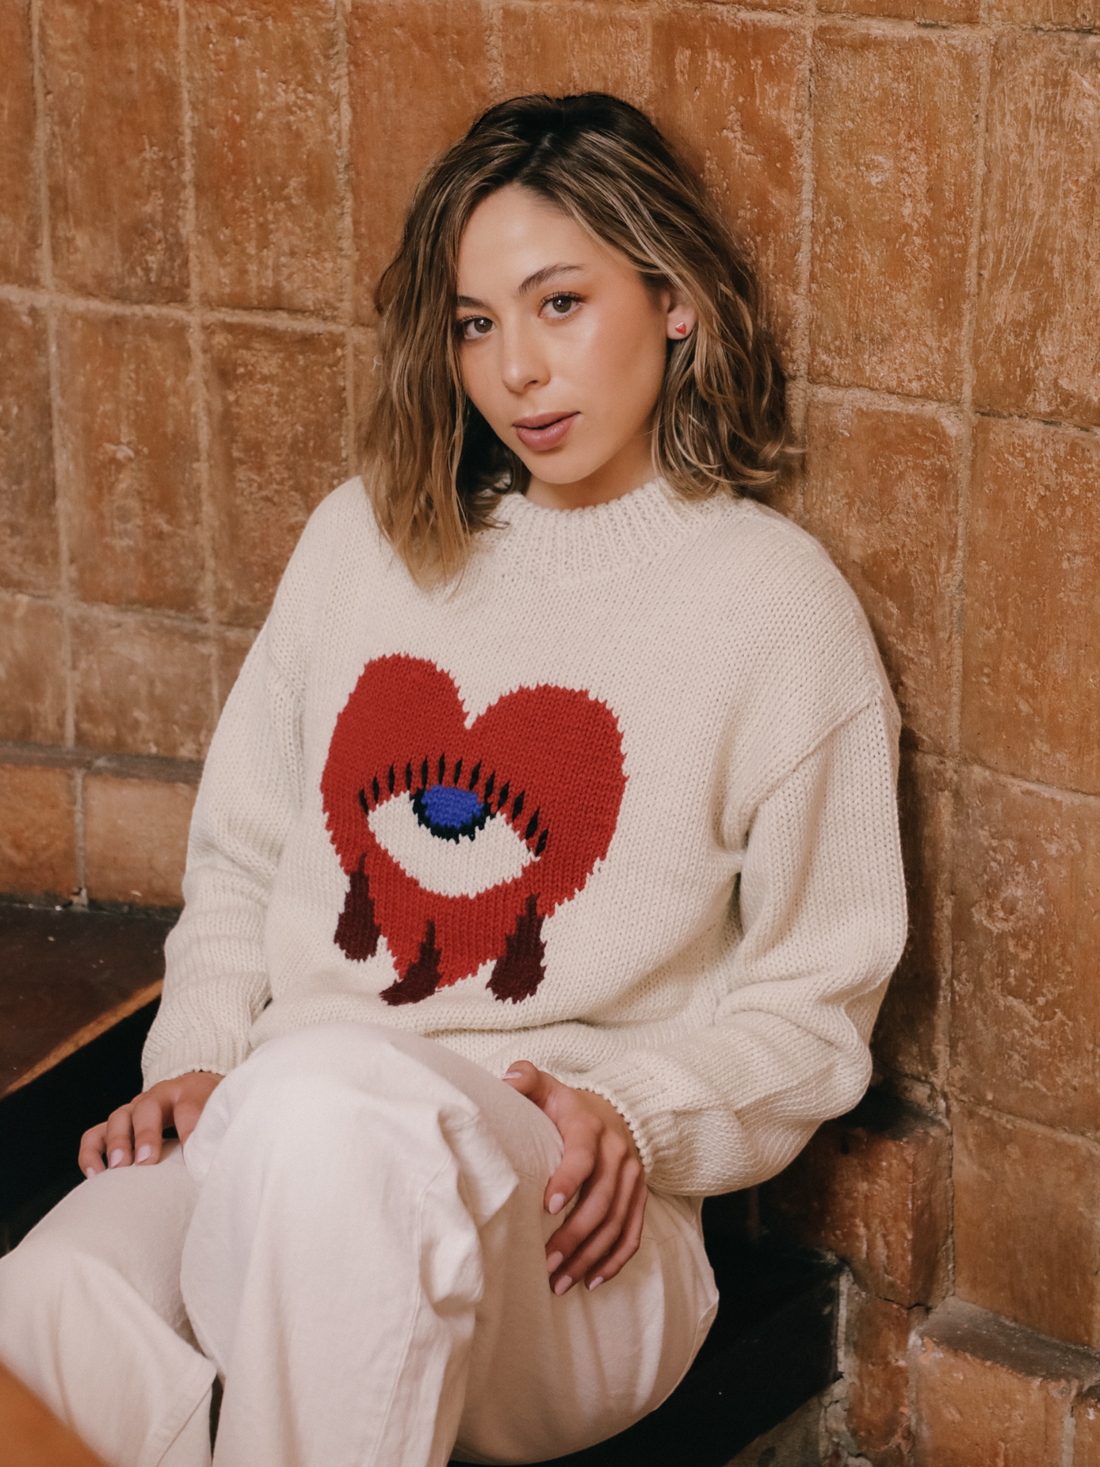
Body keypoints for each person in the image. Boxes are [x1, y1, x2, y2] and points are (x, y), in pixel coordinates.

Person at [0, 93, 907, 1467]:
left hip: (569, 1217)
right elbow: (244, 855)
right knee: (47, 1311)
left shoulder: (774, 608)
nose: (518, 371)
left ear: (675, 300)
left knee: (328, 1119)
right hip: (282, 1118)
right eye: (479, 323)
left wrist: (643, 1112)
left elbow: (819, 1003)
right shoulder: (363, 541)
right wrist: (193, 1055)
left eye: (559, 303)